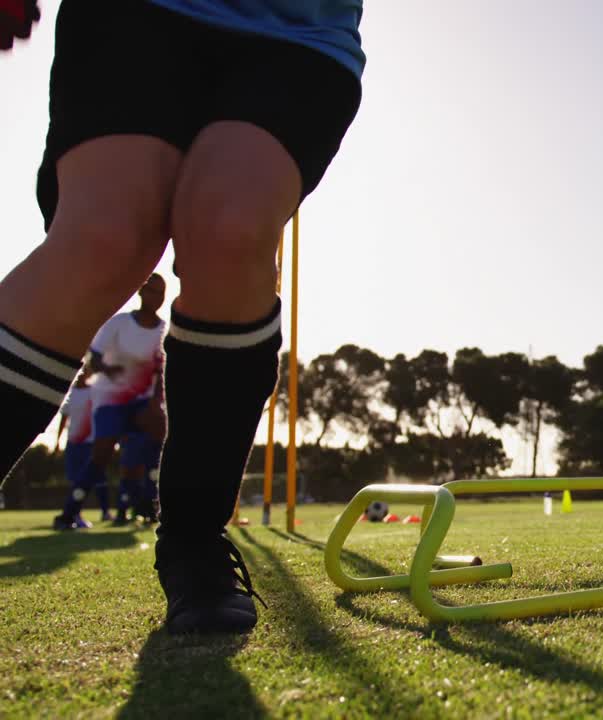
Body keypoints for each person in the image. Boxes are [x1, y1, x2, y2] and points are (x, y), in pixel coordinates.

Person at [0, 1, 364, 634]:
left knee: (231, 231)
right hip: (134, 13)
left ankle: (194, 539)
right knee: (105, 240)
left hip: (298, 31)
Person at [86, 274, 166, 526]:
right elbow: (94, 358)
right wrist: (109, 370)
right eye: (152, 291)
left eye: (162, 293)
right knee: (102, 453)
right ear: (141, 291)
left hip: (141, 401)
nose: (157, 297)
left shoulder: (164, 330)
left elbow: (161, 371)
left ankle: (145, 505)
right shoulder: (119, 323)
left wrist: (156, 402)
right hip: (111, 398)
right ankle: (71, 509)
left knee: (150, 443)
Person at [52, 368, 98, 530]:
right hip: (73, 443)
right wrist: (57, 442)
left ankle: (76, 513)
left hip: (90, 443)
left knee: (85, 479)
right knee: (74, 480)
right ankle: (74, 513)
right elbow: (64, 418)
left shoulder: (94, 392)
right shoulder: (70, 393)